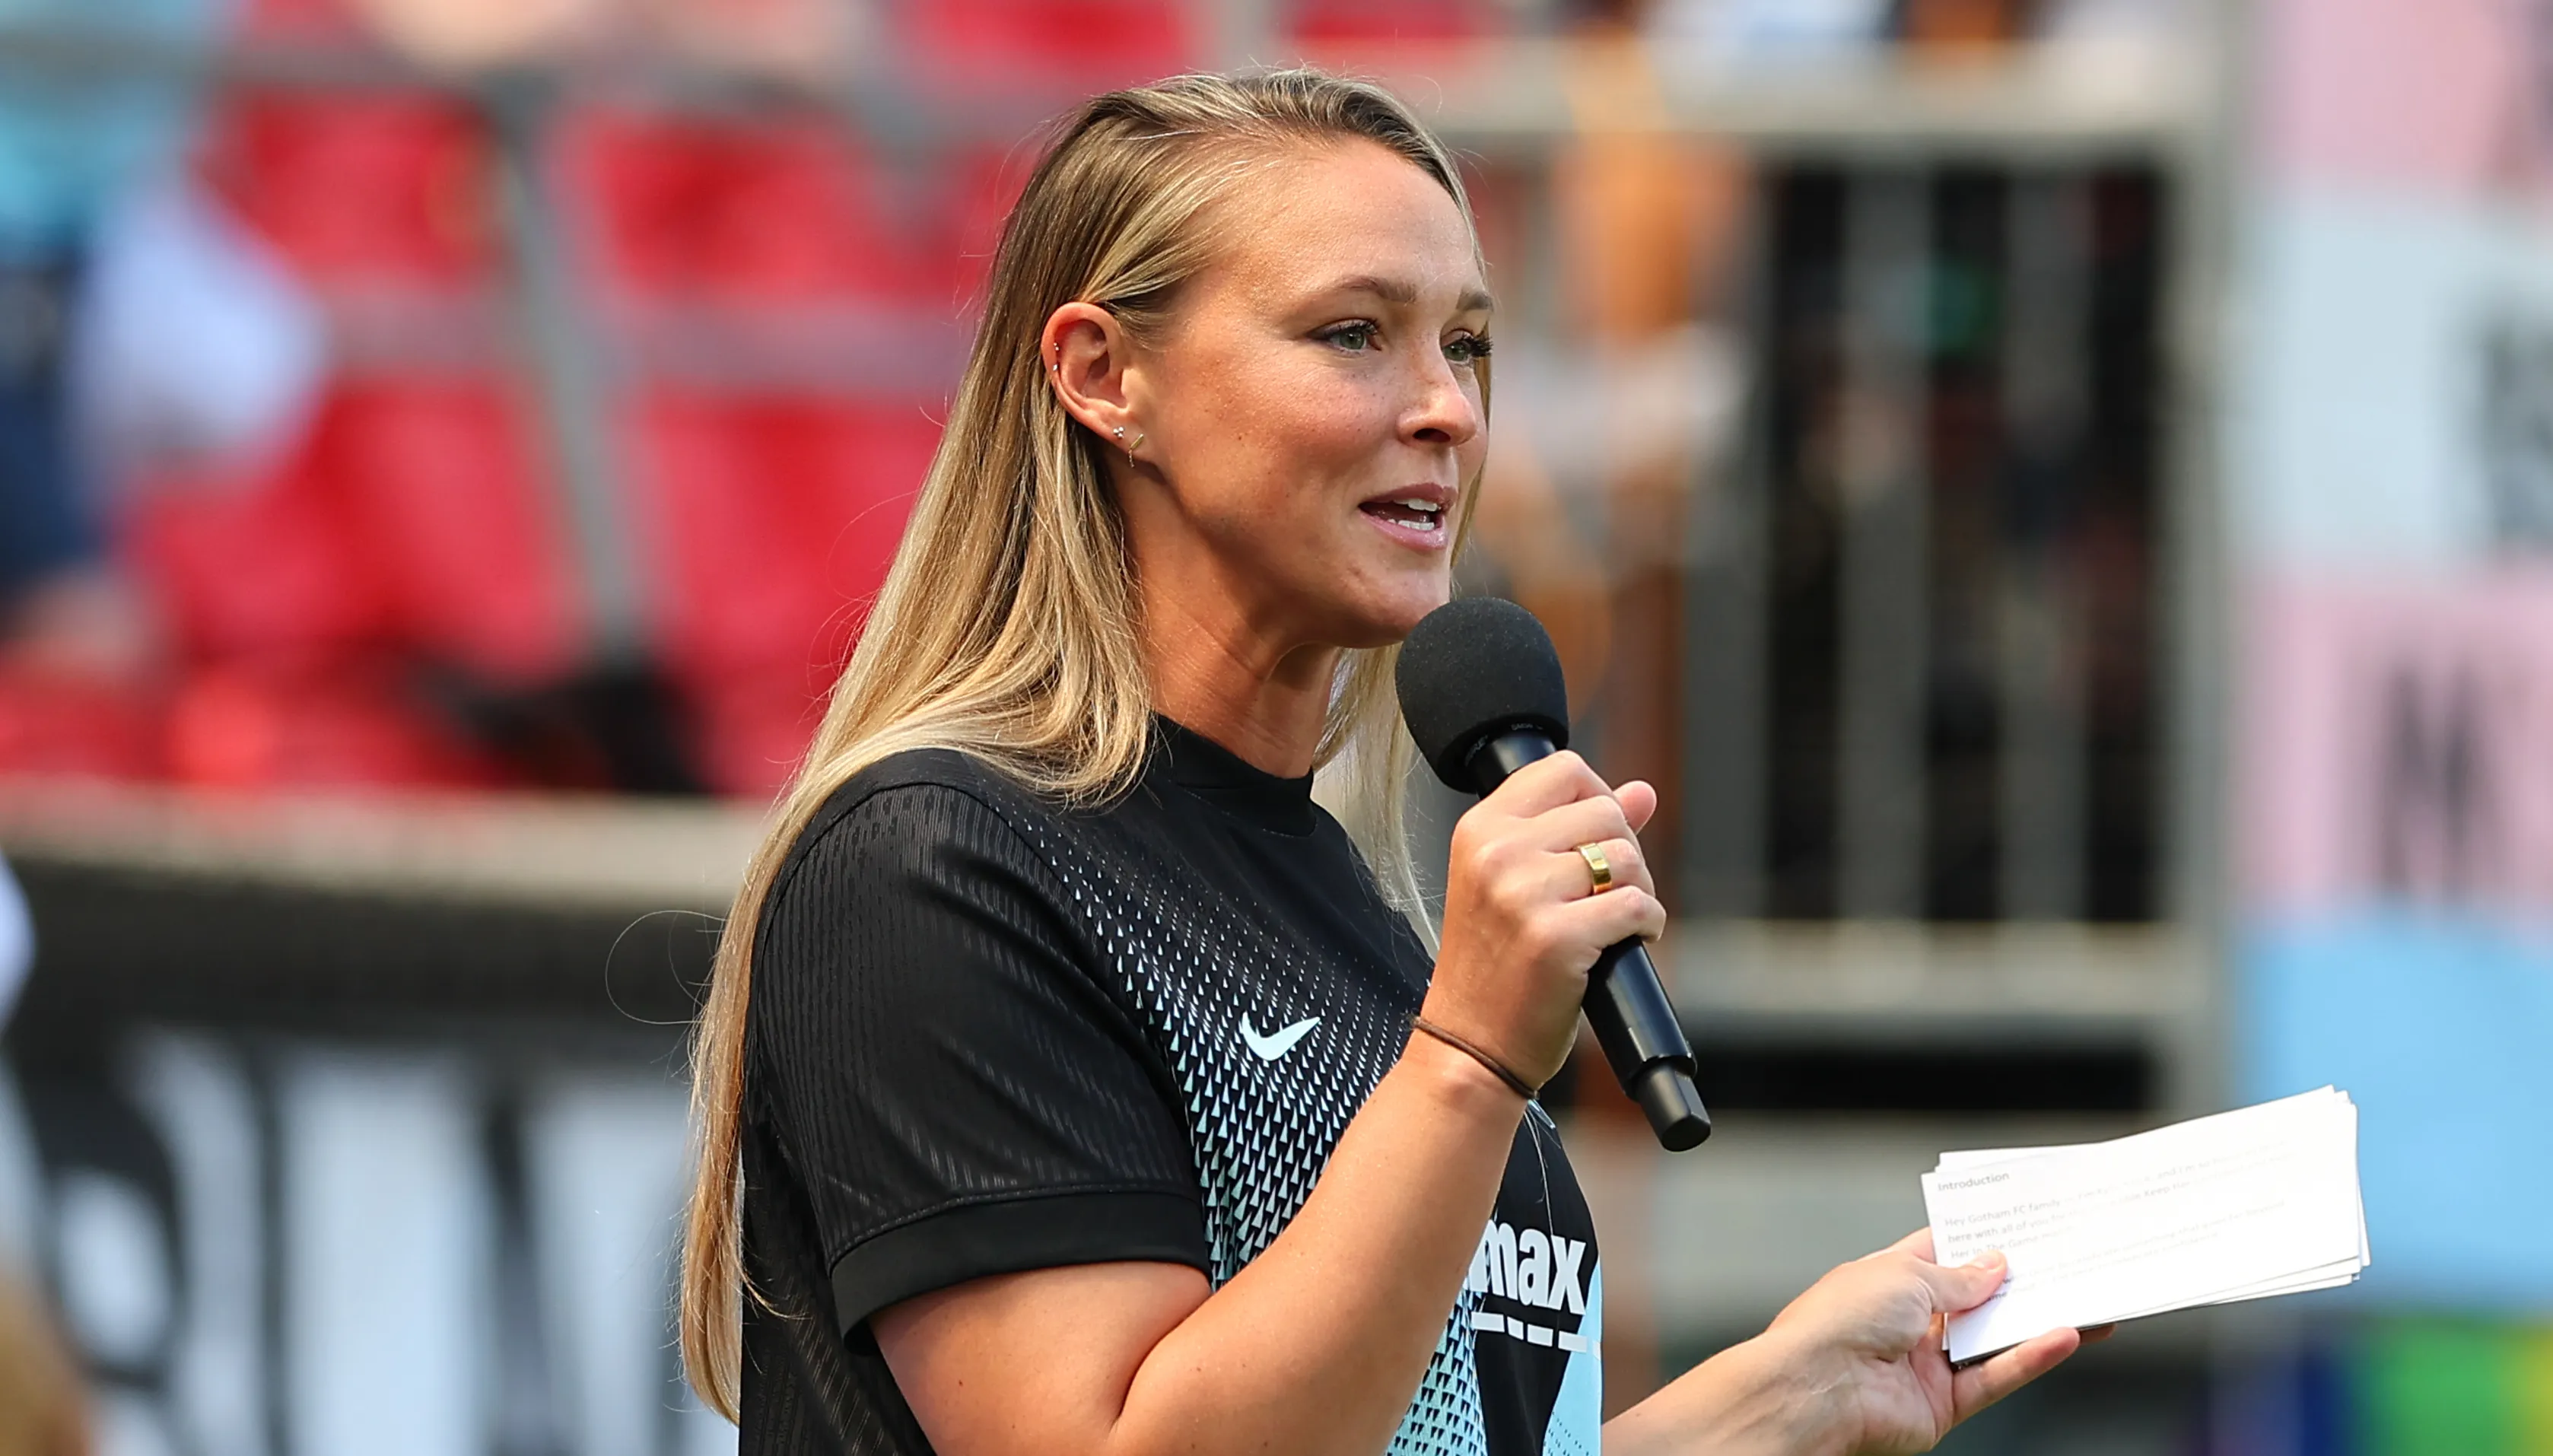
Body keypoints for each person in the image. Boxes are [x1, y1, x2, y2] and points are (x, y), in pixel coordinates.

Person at [679, 68, 2097, 1456]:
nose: (1448, 411)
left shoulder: (1366, 917)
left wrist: (1772, 1408)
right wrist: (1472, 1058)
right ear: (1104, 376)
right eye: (1354, 333)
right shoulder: (939, 862)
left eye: (1466, 345)